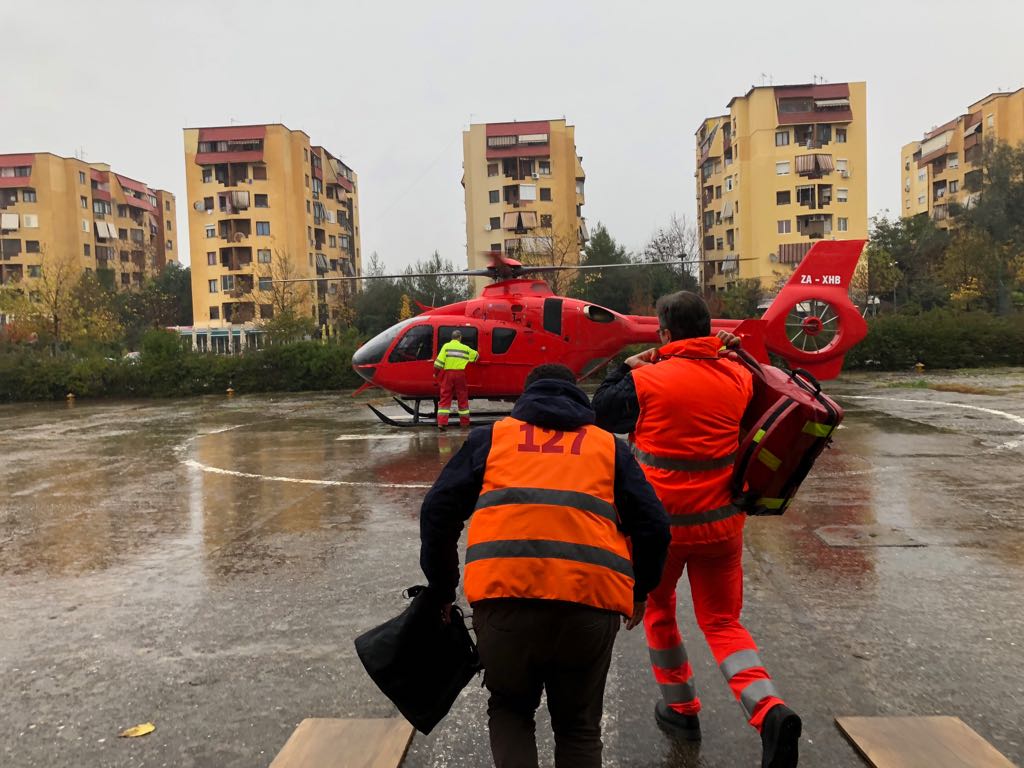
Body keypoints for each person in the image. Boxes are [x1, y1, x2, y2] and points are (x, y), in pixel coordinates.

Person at [420, 363, 671, 768]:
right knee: (578, 726)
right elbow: (655, 526)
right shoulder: (608, 447)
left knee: (511, 711)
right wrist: (640, 591)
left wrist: (442, 591)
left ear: (526, 398)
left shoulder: (493, 439)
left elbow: (437, 511)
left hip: (504, 604)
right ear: (578, 397)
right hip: (590, 606)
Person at [592, 291, 802, 768]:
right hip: (721, 528)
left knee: (660, 614)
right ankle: (768, 711)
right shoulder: (738, 375)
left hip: (659, 531)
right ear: (708, 328)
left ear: (664, 333)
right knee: (723, 624)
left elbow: (601, 410)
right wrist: (728, 349)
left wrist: (629, 362)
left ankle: (682, 709)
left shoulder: (644, 380)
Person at [433, 329, 479, 431]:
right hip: (460, 374)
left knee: (445, 397)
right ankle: (465, 422)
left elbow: (438, 364)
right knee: (462, 397)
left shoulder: (446, 347)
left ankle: (442, 423)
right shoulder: (464, 348)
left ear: (452, 338)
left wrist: (435, 374)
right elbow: (476, 356)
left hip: (448, 374)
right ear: (460, 338)